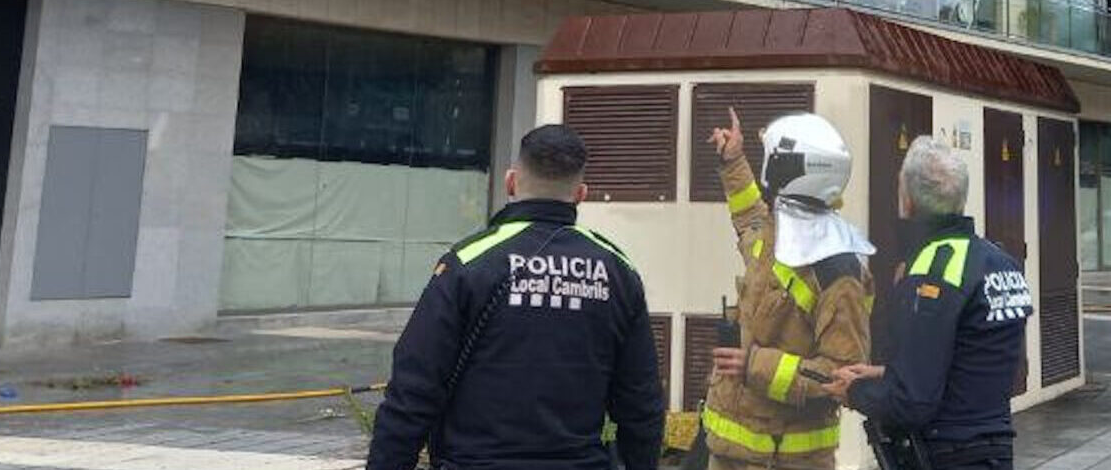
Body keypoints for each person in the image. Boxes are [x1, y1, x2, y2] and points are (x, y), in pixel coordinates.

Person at [366, 125, 663, 470]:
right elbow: (642, 405)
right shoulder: (617, 269)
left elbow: (413, 390)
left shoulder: (467, 262)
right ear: (581, 194)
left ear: (510, 182)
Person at [828, 136, 1031, 470]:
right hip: (994, 449)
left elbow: (912, 402)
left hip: (948, 453)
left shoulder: (931, 271)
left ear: (908, 201)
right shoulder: (999, 261)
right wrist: (885, 372)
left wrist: (855, 392)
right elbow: (971, 359)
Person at [697, 108, 872, 470]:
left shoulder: (838, 271)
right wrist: (733, 162)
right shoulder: (779, 232)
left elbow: (843, 374)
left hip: (788, 461)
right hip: (731, 452)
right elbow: (749, 220)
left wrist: (754, 365)